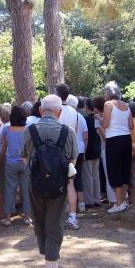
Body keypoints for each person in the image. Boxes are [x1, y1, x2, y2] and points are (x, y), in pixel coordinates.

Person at [21, 94, 77, 268]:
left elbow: (25, 158)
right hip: (59, 187)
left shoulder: (30, 130)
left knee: (41, 224)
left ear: (40, 110)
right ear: (59, 111)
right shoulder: (67, 131)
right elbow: (72, 161)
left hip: (34, 185)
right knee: (55, 225)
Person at [100, 81, 133, 213]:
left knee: (114, 169)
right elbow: (131, 125)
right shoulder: (126, 105)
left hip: (113, 139)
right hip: (126, 139)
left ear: (108, 93)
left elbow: (106, 123)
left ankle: (118, 203)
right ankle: (123, 201)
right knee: (125, 170)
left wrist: (99, 118)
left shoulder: (108, 104)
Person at [55, 84, 81, 230]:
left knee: (53, 182)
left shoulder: (55, 109)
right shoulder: (74, 112)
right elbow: (75, 132)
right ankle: (72, 216)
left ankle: (55, 216)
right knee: (70, 183)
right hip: (70, 151)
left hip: (55, 151)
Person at [1, 106, 32, 227]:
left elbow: (4, 147)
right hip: (25, 162)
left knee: (9, 189)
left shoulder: (6, 129)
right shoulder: (28, 129)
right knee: (26, 189)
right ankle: (27, 217)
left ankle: (8, 218)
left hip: (11, 162)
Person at [92, 96, 116, 205]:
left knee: (109, 175)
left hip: (106, 148)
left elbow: (104, 136)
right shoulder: (111, 114)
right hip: (115, 145)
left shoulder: (97, 119)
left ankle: (113, 200)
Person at [67, 94, 88, 212]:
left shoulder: (64, 115)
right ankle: (81, 204)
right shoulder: (81, 117)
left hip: (69, 151)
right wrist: (84, 150)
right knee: (78, 177)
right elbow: (86, 136)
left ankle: (69, 206)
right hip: (80, 150)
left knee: (68, 179)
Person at [82, 98, 101, 207]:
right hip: (97, 149)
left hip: (88, 150)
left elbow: (85, 137)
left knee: (88, 175)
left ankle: (89, 200)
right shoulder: (97, 118)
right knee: (95, 175)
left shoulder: (85, 120)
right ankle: (97, 199)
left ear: (86, 107)